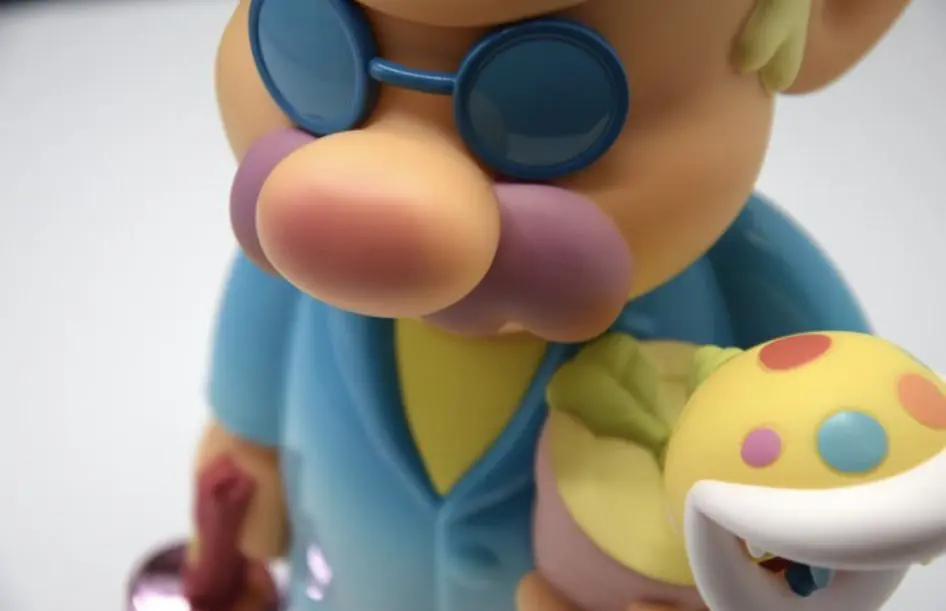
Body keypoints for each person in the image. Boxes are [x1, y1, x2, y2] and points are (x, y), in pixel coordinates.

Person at [181, 0, 913, 610]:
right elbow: (257, 356)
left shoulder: (749, 278)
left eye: (543, 103)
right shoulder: (306, 262)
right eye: (307, 46)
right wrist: (247, 450)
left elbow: (853, 465)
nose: (377, 189)